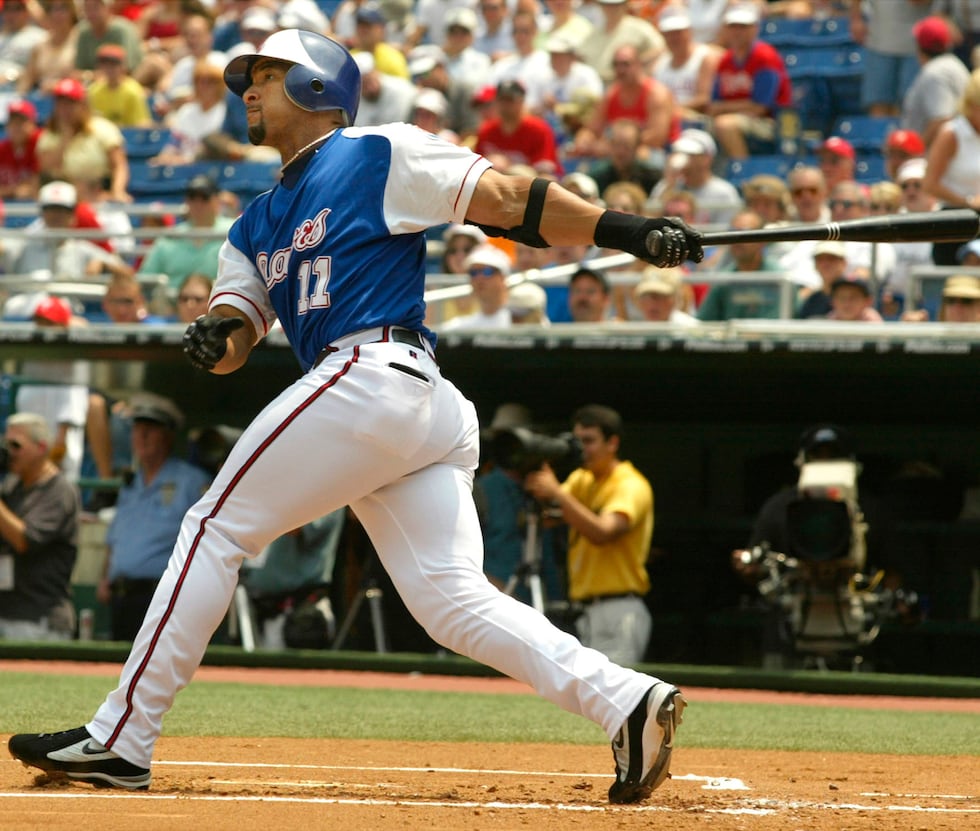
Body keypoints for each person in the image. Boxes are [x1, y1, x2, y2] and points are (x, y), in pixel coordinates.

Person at [7, 29, 701, 803]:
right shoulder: (253, 223)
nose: (248, 89)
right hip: (398, 405)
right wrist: (215, 339)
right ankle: (626, 700)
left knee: (213, 527)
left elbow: (507, 202)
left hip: (378, 374)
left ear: (316, 87)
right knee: (448, 600)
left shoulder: (377, 151)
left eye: (265, 75)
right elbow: (237, 333)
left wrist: (625, 230)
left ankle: (123, 736)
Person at [524, 404, 653, 665]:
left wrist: (557, 492)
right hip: (582, 612)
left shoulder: (630, 484)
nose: (582, 449)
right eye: (577, 440)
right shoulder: (582, 479)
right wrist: (537, 474)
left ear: (612, 443)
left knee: (611, 687)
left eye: (589, 441)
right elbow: (548, 517)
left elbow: (603, 532)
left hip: (618, 610)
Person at [97, 393, 212, 641]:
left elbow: (206, 541)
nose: (142, 435)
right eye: (137, 428)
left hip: (164, 599)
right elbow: (116, 536)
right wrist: (104, 577)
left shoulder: (191, 481)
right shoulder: (130, 483)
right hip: (121, 597)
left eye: (151, 428)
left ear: (168, 435)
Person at [0, 411, 80, 642]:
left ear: (42, 447)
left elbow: (25, 540)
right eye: (6, 444)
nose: (9, 452)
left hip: (39, 619)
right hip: (8, 612)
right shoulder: (12, 486)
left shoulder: (59, 490)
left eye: (16, 445)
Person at [704, 2, 792, 162]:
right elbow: (714, 104)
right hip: (738, 118)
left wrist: (724, 108)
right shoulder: (725, 60)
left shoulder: (765, 57)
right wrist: (725, 108)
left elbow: (760, 107)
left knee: (725, 125)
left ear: (755, 29)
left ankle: (743, 168)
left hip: (771, 123)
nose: (737, 32)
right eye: (733, 26)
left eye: (743, 27)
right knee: (697, 125)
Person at [35, 76, 130, 203]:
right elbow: (46, 169)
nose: (65, 109)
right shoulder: (49, 135)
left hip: (98, 194)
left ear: (83, 105)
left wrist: (117, 191)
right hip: (61, 199)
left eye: (70, 103)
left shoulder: (103, 128)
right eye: (61, 103)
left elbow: (119, 165)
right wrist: (65, 139)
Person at [923, 68, 980, 265]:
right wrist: (968, 201)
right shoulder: (951, 134)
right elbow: (929, 184)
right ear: (971, 105)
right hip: (954, 220)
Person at [137, 174, 236, 288]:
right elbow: (146, 278)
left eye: (205, 198)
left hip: (222, 296)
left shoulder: (233, 231)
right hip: (174, 297)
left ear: (217, 200)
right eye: (192, 198)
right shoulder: (170, 238)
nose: (198, 204)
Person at [697, 209, 787, 321]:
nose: (737, 240)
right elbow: (705, 322)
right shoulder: (723, 280)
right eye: (732, 232)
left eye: (745, 233)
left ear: (762, 240)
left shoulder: (780, 279)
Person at [901, 16, 971, 149]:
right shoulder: (953, 63)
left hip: (940, 155)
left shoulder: (936, 73)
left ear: (919, 45)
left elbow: (941, 120)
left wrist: (916, 150)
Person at [474, 79, 562, 176]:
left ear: (522, 101)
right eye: (501, 100)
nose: (505, 105)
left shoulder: (538, 129)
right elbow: (475, 166)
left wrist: (509, 168)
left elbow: (545, 171)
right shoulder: (486, 130)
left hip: (531, 181)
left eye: (509, 100)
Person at [438, 243, 515, 330]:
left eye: (487, 271)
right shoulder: (460, 327)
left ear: (502, 277)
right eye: (473, 272)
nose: (479, 278)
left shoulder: (520, 320)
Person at [87, 42, 153, 128]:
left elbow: (142, 123)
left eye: (113, 64)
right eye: (105, 64)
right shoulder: (94, 90)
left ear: (123, 65)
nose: (109, 68)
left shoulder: (132, 91)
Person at [0, 97, 41, 200]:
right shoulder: (2, 149)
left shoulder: (40, 145)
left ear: (33, 124)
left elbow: (38, 185)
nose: (16, 127)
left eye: (21, 122)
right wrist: (13, 191)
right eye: (13, 122)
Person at [796, 240, 848, 319]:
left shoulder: (859, 293)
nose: (826, 264)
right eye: (820, 259)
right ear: (815, 264)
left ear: (843, 263)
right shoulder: (812, 300)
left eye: (831, 259)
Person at [633, 267, 698, 325]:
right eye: (646, 296)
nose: (652, 303)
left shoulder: (692, 329)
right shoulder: (634, 329)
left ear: (675, 299)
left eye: (660, 296)